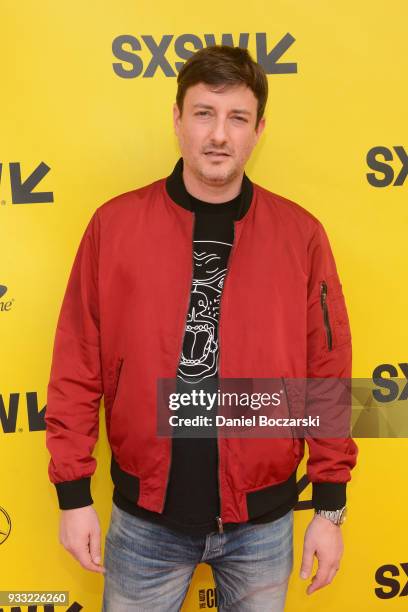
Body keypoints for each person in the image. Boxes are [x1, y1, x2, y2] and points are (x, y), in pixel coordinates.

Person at [45, 45, 358, 611]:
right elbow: (77, 363)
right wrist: (72, 495)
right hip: (145, 524)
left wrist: (330, 505)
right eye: (203, 114)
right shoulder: (114, 226)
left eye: (237, 117)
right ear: (177, 119)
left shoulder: (300, 235)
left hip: (263, 524)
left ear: (258, 129)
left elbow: (327, 373)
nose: (219, 135)